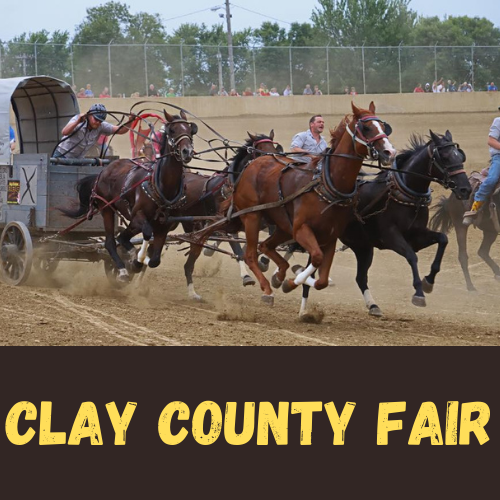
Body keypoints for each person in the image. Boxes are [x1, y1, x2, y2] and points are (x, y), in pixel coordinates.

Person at [53, 103, 133, 159]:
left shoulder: (101, 126)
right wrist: (77, 121)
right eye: (96, 119)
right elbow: (64, 132)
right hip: (61, 156)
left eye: (100, 121)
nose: (98, 122)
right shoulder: (78, 120)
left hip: (78, 159)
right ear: (89, 115)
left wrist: (130, 121)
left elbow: (120, 130)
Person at [463, 106, 500, 225]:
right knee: (492, 180)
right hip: (498, 157)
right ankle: (475, 207)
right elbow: (491, 141)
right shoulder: (498, 121)